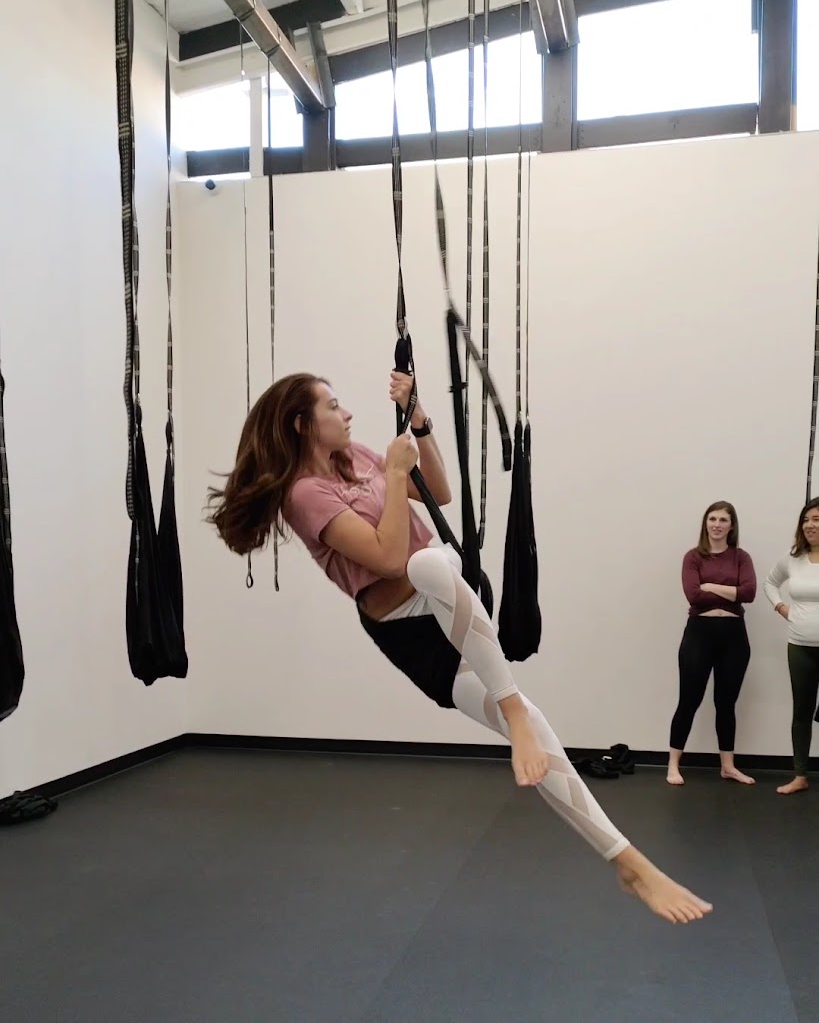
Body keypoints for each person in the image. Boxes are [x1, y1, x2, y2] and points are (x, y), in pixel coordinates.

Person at [208, 371, 713, 925]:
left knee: (533, 726)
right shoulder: (305, 494)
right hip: (408, 627)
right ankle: (513, 710)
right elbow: (389, 558)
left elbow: (440, 493)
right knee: (429, 566)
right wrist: (396, 473)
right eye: (333, 405)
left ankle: (629, 862)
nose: (347, 413)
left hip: (451, 602)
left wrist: (419, 425)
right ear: (304, 424)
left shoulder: (356, 455)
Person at [667, 502, 757, 786]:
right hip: (699, 635)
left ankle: (727, 766)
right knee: (689, 700)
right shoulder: (693, 557)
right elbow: (694, 596)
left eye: (723, 520)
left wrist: (711, 586)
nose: (717, 524)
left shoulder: (741, 557)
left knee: (726, 703)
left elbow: (750, 592)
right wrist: (731, 593)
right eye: (712, 519)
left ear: (732, 526)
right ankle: (672, 764)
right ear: (706, 523)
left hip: (734, 637)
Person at [763, 496, 819, 795]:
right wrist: (782, 608)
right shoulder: (793, 558)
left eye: (817, 520)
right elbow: (770, 583)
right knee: (802, 711)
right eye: (807, 519)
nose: (810, 525)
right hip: (800, 645)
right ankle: (800, 774)